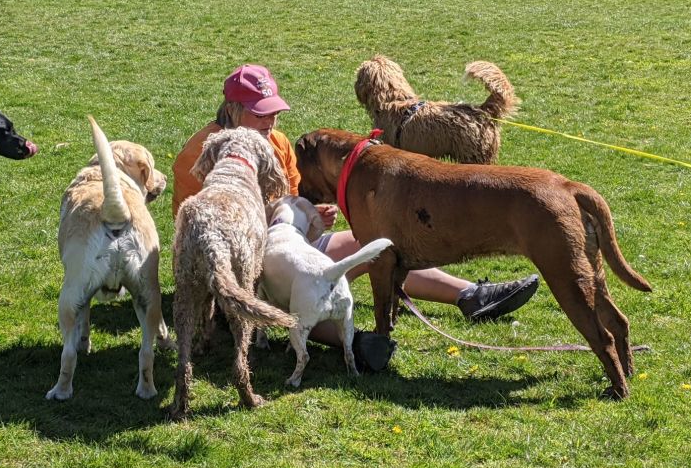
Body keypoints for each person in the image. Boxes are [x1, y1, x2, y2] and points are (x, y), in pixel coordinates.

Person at [172, 64, 539, 371]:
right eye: (260, 112)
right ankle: (360, 343)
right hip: (239, 263)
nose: (271, 119)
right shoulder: (201, 153)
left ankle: (471, 296)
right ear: (233, 109)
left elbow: (293, 195)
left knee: (379, 242)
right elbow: (201, 229)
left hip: (287, 240)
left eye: (274, 110)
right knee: (303, 279)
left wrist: (308, 213)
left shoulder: (277, 143)